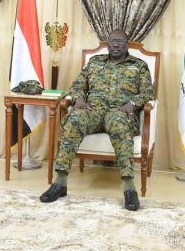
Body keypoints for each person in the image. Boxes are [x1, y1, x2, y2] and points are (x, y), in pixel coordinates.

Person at [40, 29, 154, 211]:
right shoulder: (94, 62)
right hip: (93, 109)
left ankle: (129, 188)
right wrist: (78, 99)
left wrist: (132, 103)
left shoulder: (139, 65)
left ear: (127, 45)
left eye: (120, 41)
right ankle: (60, 183)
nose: (115, 44)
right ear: (107, 43)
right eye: (112, 41)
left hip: (119, 111)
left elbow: (148, 92)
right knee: (74, 120)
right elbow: (78, 84)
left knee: (120, 125)